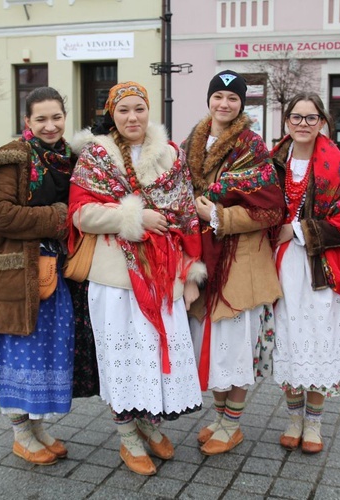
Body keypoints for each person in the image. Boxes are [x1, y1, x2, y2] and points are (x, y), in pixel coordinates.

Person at [69, 81, 205, 476]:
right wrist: (133, 218)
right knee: (121, 360)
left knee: (155, 359)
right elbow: (81, 215)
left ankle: (149, 422)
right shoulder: (96, 156)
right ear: (112, 114)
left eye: (139, 109)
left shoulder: (170, 156)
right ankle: (128, 435)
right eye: (124, 109)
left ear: (149, 112)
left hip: (163, 278)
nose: (132, 117)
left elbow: (185, 218)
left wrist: (191, 273)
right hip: (116, 281)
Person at [0, 86, 77, 466]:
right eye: (41, 119)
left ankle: (36, 428)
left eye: (56, 117)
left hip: (52, 273)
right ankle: (19, 433)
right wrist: (58, 218)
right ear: (27, 121)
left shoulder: (65, 158)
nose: (50, 125)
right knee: (18, 351)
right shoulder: (12, 159)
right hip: (15, 272)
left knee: (43, 353)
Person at [270, 92, 340, 454]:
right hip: (281, 266)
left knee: (317, 341)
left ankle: (314, 423)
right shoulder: (273, 161)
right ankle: (293, 419)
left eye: (311, 117)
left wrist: (299, 231)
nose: (303, 124)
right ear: (287, 121)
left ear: (323, 122)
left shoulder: (338, 163)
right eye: (296, 117)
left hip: (321, 269)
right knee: (288, 338)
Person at [181, 70, 285, 456]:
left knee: (234, 347)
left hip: (239, 260)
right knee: (209, 343)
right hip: (200, 257)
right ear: (209, 99)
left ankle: (233, 424)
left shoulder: (252, 146)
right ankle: (220, 416)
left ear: (243, 105)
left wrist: (218, 218)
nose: (224, 103)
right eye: (218, 96)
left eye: (233, 98)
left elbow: (272, 210)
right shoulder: (191, 141)